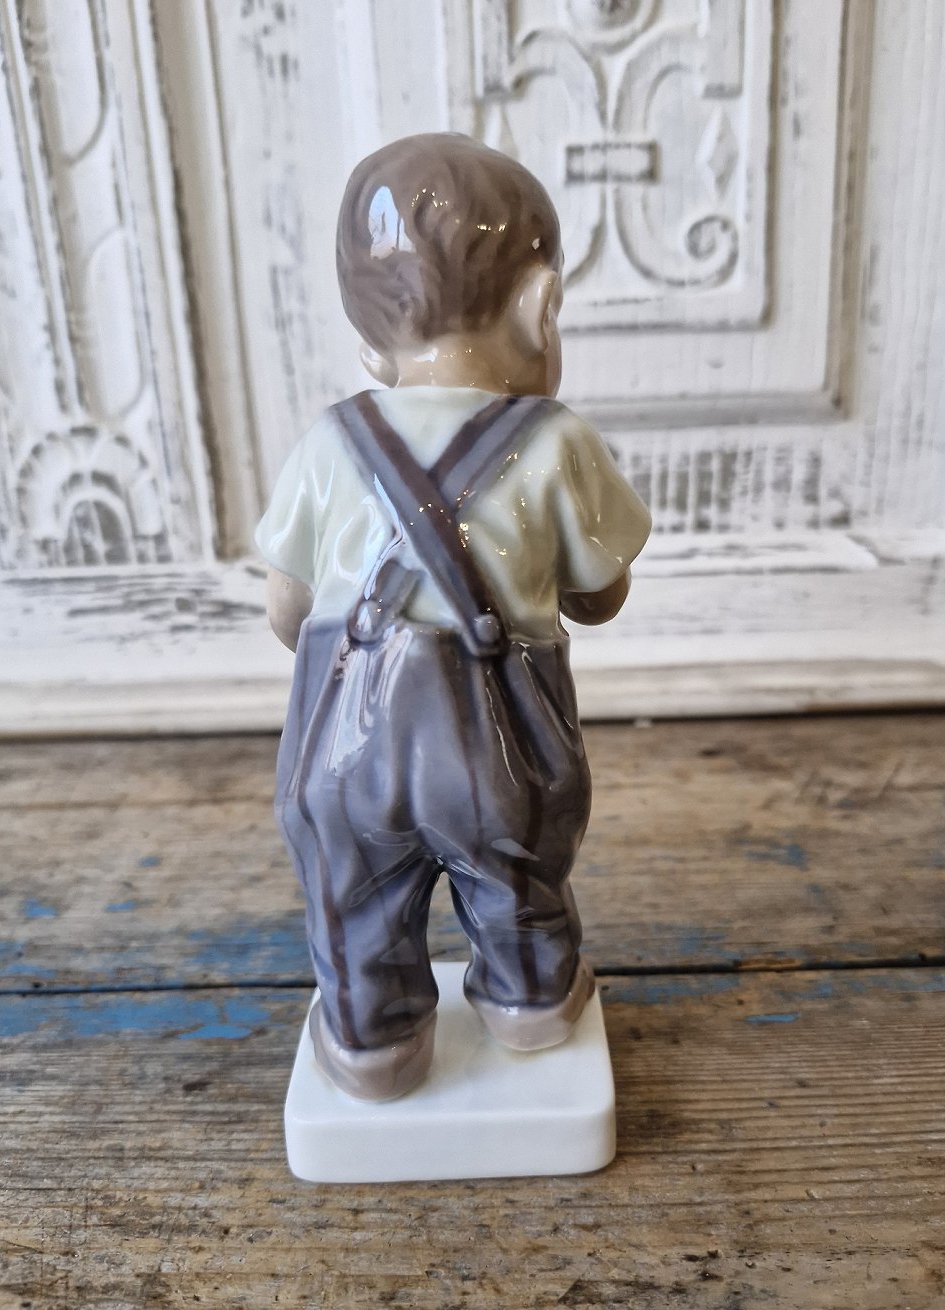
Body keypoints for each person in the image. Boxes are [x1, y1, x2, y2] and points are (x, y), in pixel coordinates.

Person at [255, 132, 652, 1101]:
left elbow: (285, 612)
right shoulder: (557, 441)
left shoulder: (329, 442)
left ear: (369, 347)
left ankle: (372, 1045)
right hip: (501, 746)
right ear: (541, 308)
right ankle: (530, 1005)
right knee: (516, 878)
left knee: (353, 901)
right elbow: (601, 597)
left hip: (344, 752)